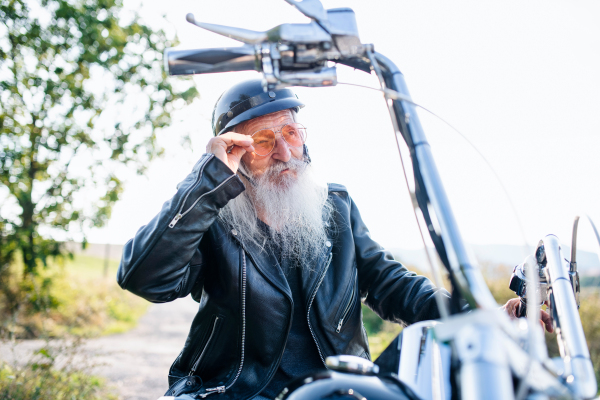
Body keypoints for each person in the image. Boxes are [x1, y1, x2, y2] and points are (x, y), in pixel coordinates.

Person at [117, 80, 551, 400]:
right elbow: (145, 278)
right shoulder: (211, 214)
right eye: (264, 142)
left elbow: (391, 283)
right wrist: (206, 182)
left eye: (290, 133)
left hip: (336, 387)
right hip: (234, 390)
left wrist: (483, 317)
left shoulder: (335, 206)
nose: (285, 153)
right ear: (235, 154)